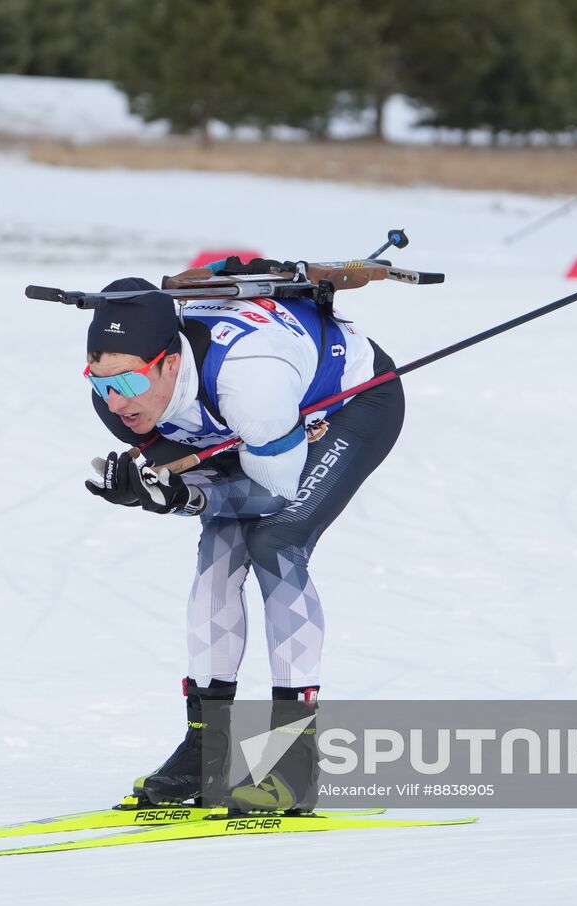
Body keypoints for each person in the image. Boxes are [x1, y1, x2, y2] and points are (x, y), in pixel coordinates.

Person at [81, 267, 405, 812]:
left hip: (350, 405)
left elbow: (274, 494)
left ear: (171, 362)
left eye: (129, 383)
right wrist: (158, 488)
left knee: (275, 542)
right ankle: (206, 750)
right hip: (250, 427)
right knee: (218, 551)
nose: (116, 402)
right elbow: (207, 482)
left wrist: (182, 497)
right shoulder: (119, 402)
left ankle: (295, 760)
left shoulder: (251, 382)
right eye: (100, 383)